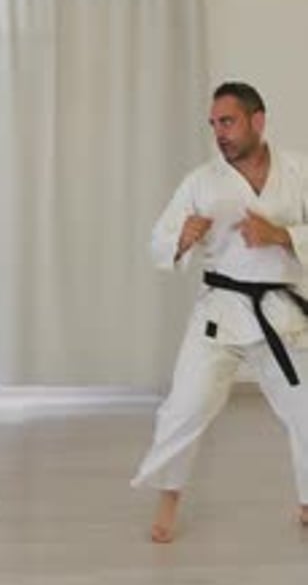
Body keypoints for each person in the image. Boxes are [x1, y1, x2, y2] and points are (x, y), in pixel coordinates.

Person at [130, 81, 308, 542]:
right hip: (220, 313)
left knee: (307, 409)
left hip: (282, 315)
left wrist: (283, 235)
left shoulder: (298, 171)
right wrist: (181, 240)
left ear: (257, 120)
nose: (220, 133)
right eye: (214, 125)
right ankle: (169, 498)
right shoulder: (201, 181)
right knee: (185, 407)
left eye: (227, 122)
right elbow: (158, 241)